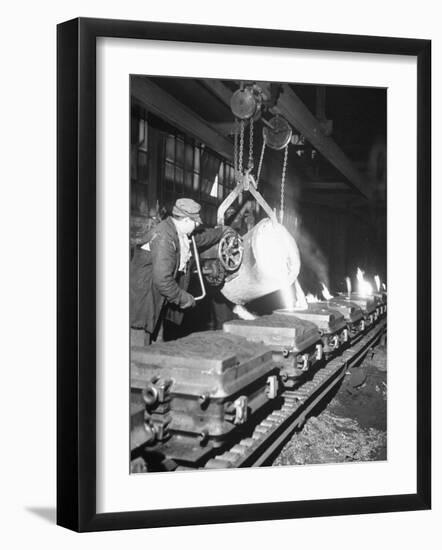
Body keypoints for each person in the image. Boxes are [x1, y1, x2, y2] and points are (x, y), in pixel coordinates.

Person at [130, 198, 227, 345]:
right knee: (140, 353)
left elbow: (201, 238)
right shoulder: (165, 237)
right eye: (195, 223)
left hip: (156, 300)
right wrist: (184, 298)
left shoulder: (178, 232)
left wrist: (222, 232)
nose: (197, 226)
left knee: (156, 348)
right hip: (142, 303)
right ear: (187, 220)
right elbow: (163, 281)